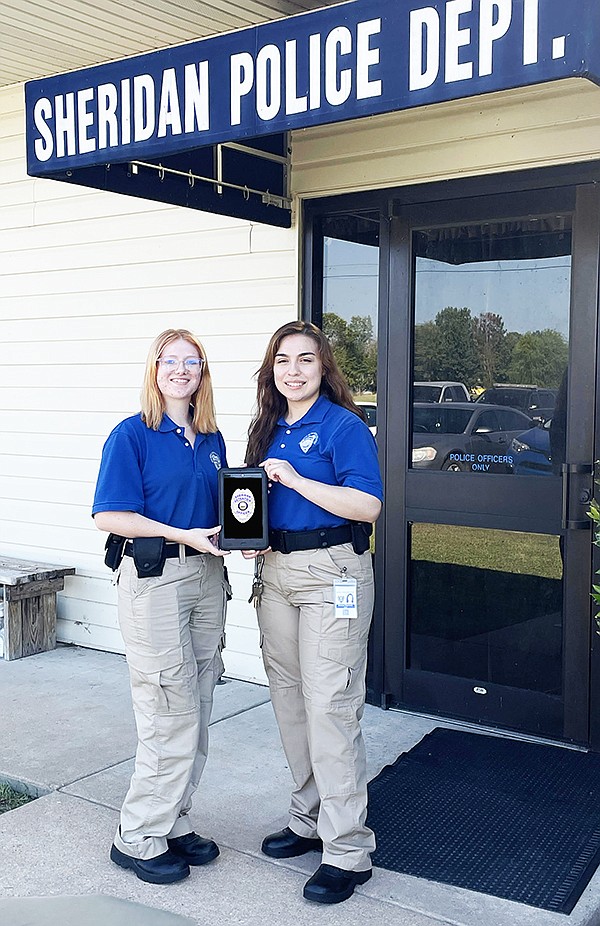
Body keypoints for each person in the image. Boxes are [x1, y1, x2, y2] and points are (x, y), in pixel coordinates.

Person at [244, 320, 383, 905]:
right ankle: (308, 818)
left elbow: (368, 505)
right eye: (282, 360)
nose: (293, 370)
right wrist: (248, 536)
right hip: (276, 576)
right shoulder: (268, 428)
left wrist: (298, 481)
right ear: (271, 369)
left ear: (324, 367)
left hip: (333, 576)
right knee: (291, 703)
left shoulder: (344, 427)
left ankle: (347, 850)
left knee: (332, 707)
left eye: (305, 359)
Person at [92, 328, 230, 885]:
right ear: (154, 370)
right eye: (168, 360)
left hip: (205, 577)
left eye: (190, 361)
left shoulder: (212, 437)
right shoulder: (132, 435)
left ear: (202, 372)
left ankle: (172, 820)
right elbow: (110, 516)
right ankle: (138, 834)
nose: (180, 369)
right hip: (156, 580)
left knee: (196, 702)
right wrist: (185, 534)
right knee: (166, 705)